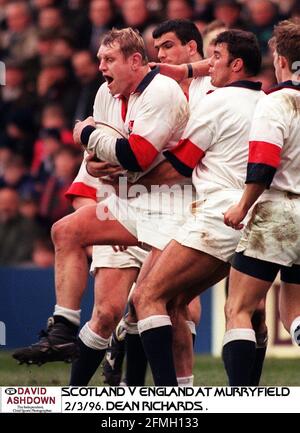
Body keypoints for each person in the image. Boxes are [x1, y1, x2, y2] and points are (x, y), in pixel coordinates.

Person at [12, 28, 191, 382]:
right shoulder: (105, 93)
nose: (100, 67)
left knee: (170, 308)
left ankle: (175, 394)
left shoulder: (162, 91)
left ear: (135, 61)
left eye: (108, 60)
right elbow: (97, 162)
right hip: (125, 199)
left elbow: (135, 156)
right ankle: (64, 328)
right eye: (99, 59)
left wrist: (87, 134)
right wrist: (99, 154)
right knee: (66, 231)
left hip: (173, 205)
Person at [129, 29, 264, 386]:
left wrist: (131, 182)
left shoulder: (218, 102)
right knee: (177, 304)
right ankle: (231, 397)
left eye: (216, 56)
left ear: (236, 65)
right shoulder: (264, 101)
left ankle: (166, 400)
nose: (208, 64)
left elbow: (179, 165)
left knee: (146, 297)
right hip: (250, 219)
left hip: (217, 215)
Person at [102, 19, 210, 387]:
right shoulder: (149, 91)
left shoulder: (209, 88)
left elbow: (183, 161)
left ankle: (164, 388)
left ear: (192, 48)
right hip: (169, 203)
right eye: (157, 48)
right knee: (170, 301)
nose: (159, 55)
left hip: (202, 203)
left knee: (167, 300)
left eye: (166, 47)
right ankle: (169, 394)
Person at [222, 18, 300, 386]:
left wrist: (241, 206)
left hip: (279, 211)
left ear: (281, 60)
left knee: (238, 308)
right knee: (294, 311)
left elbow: (264, 163)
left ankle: (241, 401)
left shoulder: (276, 102)